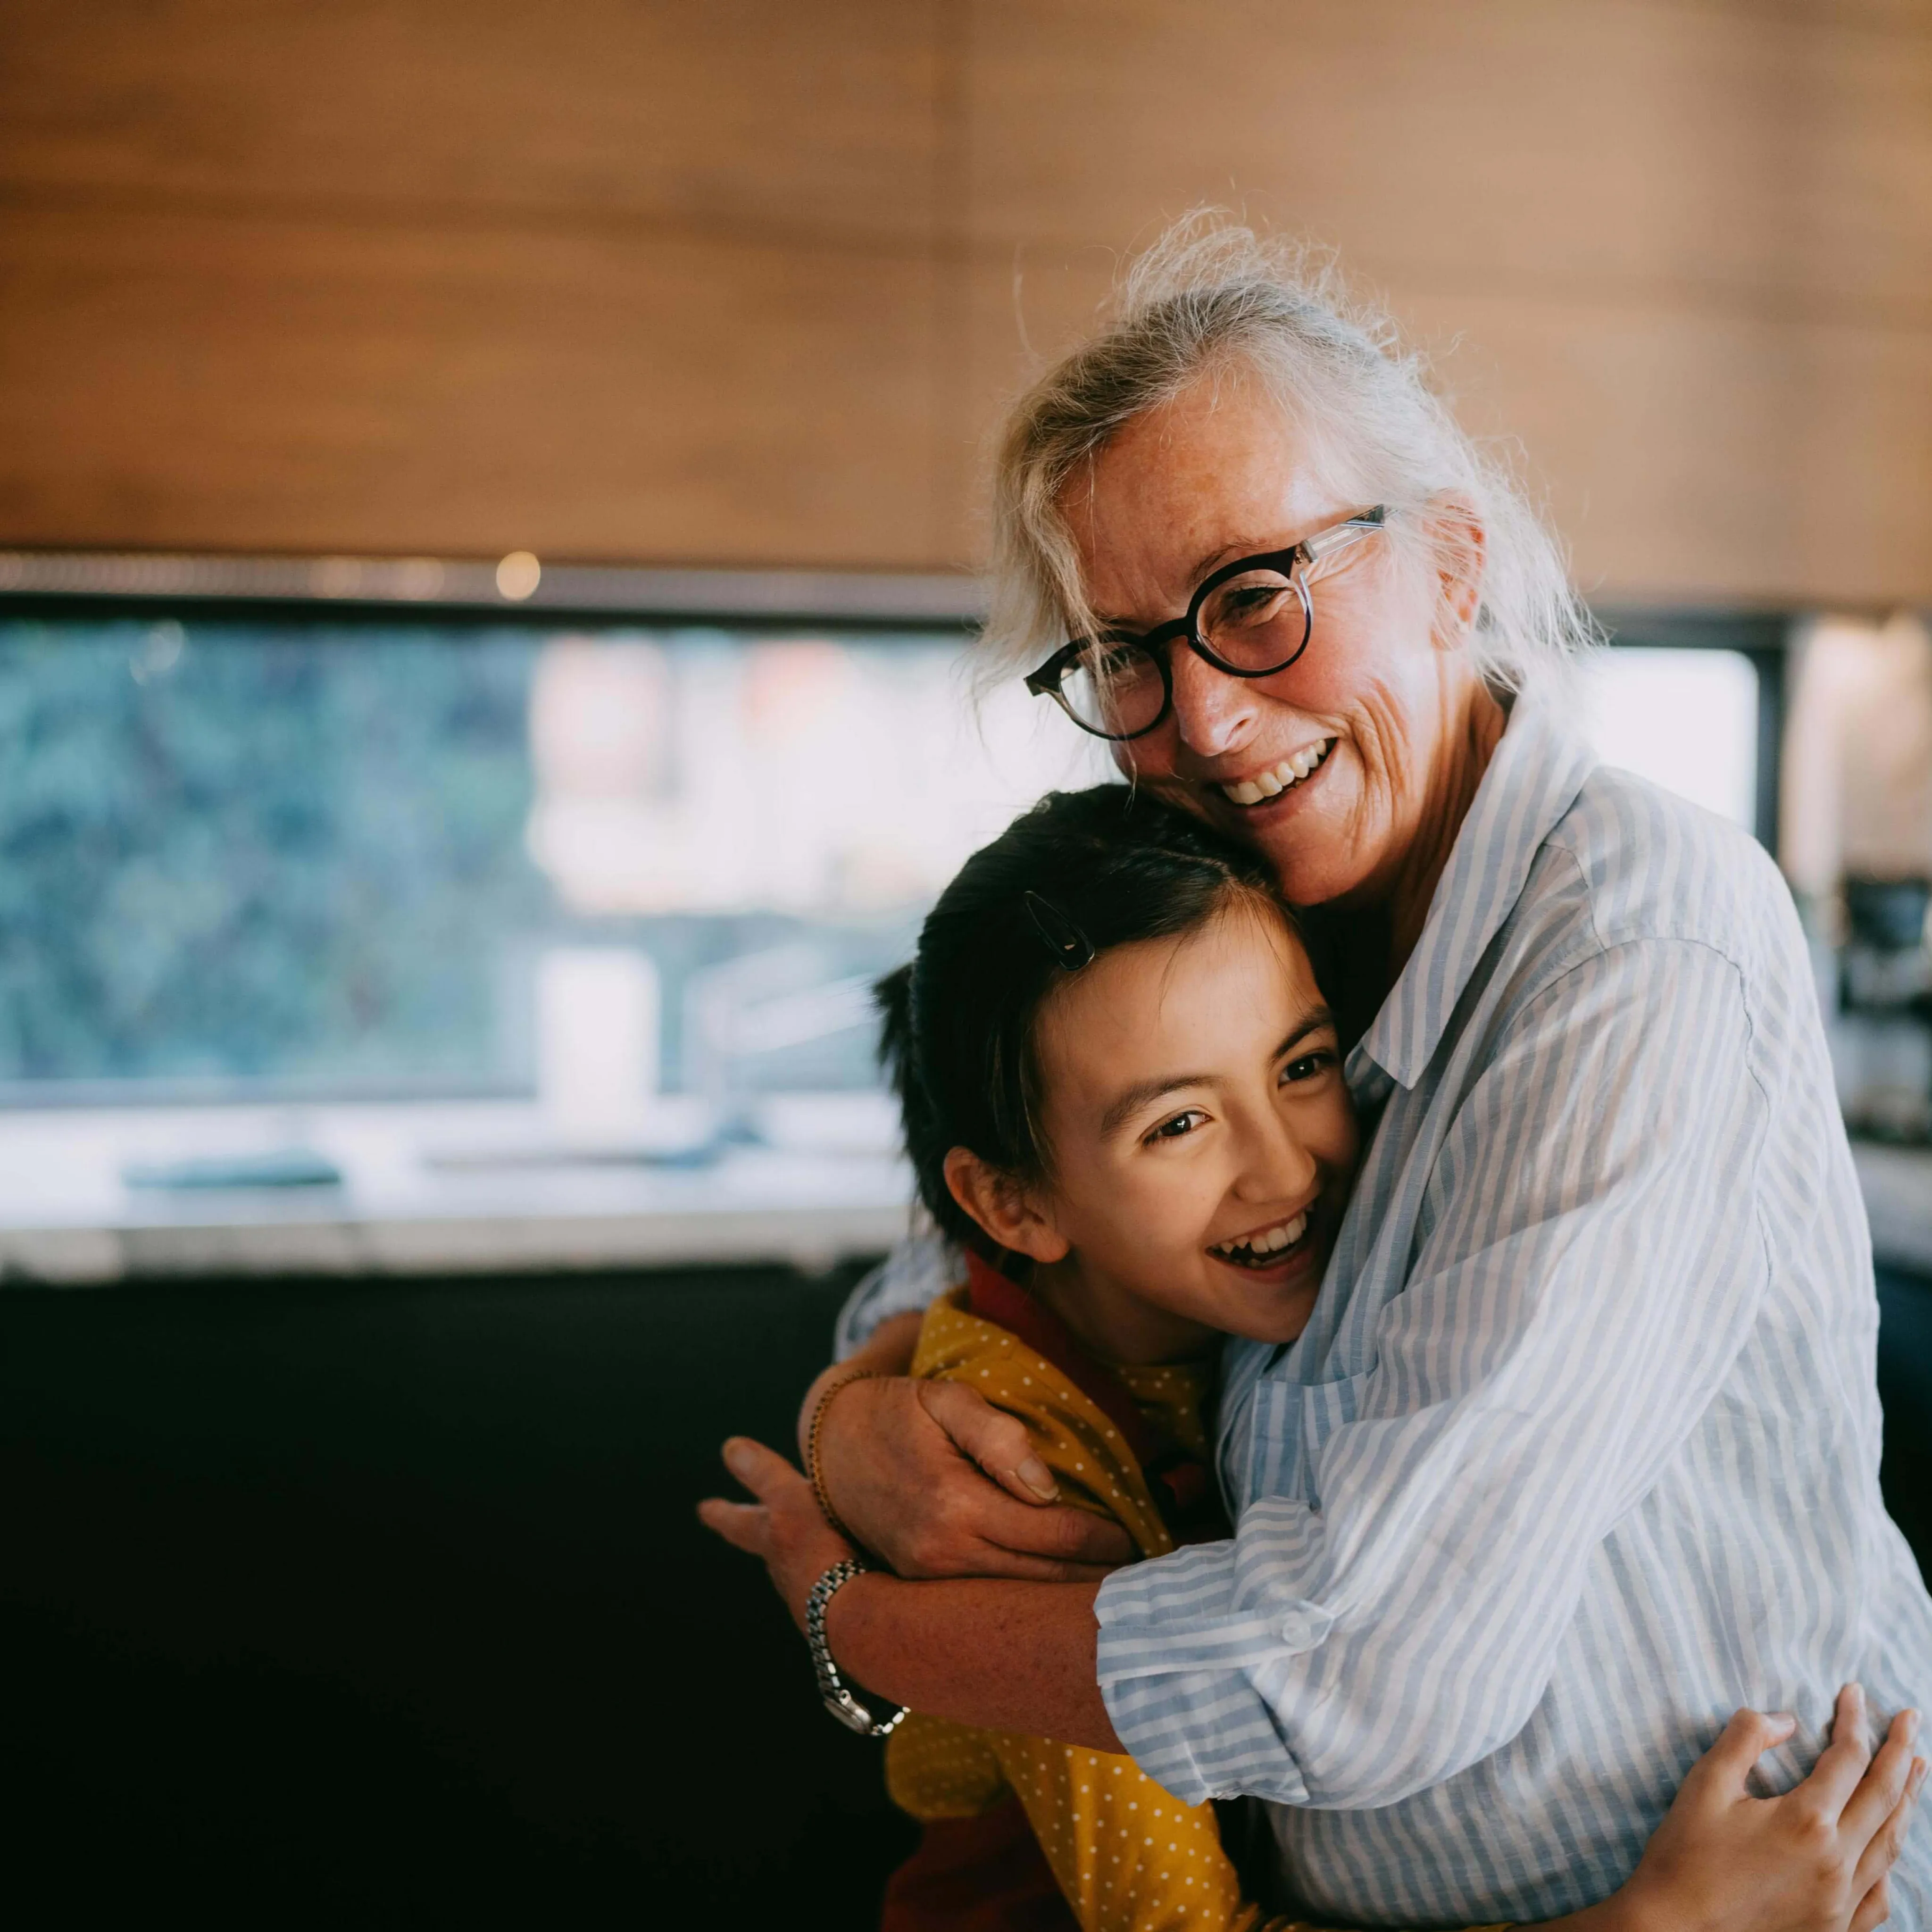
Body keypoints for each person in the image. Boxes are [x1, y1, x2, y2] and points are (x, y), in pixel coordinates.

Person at [724, 216, 1932, 1924]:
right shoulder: (1250, 893)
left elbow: (1378, 1666)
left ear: (1451, 563)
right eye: (1130, 655)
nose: (1205, 723)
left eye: (1258, 595)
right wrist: (859, 1410)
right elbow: (995, 1229)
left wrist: (856, 1617)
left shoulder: (1634, 941)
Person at [705, 780, 1924, 1932]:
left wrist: (850, 1463)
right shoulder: (1022, 1487)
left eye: (1303, 1065)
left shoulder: (1583, 944)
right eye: (1178, 1124)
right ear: (1015, 1207)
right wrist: (1658, 1922)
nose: (1286, 1171)